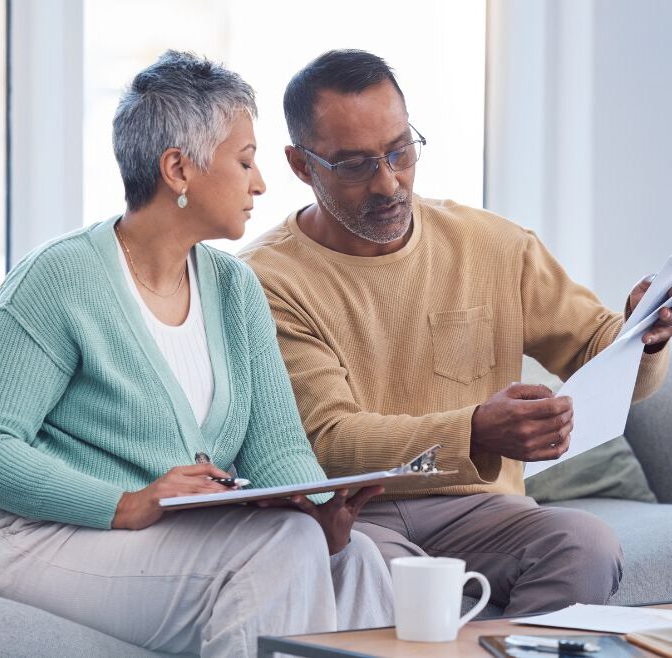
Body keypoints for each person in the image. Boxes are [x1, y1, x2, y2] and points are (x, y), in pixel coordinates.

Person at [0, 50, 394, 657]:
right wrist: (125, 503)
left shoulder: (235, 289)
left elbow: (277, 447)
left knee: (353, 556)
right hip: (24, 538)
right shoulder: (59, 279)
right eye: (246, 161)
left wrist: (319, 509)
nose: (260, 183)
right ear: (178, 168)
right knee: (282, 546)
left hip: (154, 543)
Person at [240, 49, 672, 616]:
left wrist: (644, 336)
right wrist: (473, 432)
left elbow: (601, 356)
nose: (388, 182)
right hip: (356, 510)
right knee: (377, 579)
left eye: (400, 151)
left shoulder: (495, 244)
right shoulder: (265, 279)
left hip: (483, 510)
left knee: (586, 544)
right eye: (355, 165)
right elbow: (330, 442)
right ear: (302, 166)